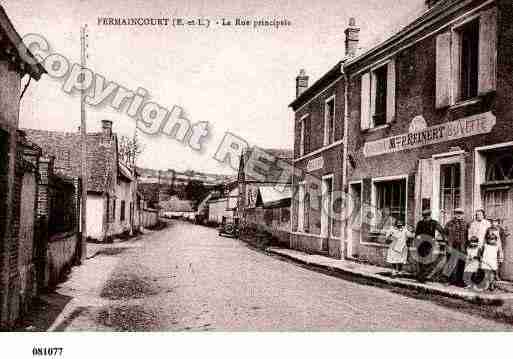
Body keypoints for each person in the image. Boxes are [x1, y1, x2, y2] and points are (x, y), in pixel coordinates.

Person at [414, 209, 445, 283]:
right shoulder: (420, 223)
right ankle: (421, 276)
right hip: (421, 244)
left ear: (430, 215)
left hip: (430, 244)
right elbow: (417, 234)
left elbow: (441, 231)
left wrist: (444, 239)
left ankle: (423, 276)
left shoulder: (434, 223)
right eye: (424, 216)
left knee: (428, 261)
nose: (425, 218)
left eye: (427, 216)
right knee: (421, 261)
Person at [444, 207, 468, 286]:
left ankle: (459, 281)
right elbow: (444, 234)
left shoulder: (466, 224)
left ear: (463, 215)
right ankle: (449, 280)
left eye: (460, 213)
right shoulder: (449, 223)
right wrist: (448, 242)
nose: (458, 215)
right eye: (457, 213)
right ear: (454, 214)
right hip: (452, 246)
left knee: (461, 264)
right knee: (450, 263)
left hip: (462, 247)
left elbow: (468, 235)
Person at [481, 226, 504, 290]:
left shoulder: (497, 246)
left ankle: (492, 284)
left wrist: (499, 259)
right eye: (490, 239)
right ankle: (486, 284)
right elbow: (481, 252)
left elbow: (500, 253)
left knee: (492, 274)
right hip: (486, 261)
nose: (491, 241)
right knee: (486, 274)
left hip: (492, 262)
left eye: (493, 239)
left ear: (496, 239)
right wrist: (481, 258)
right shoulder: (485, 245)